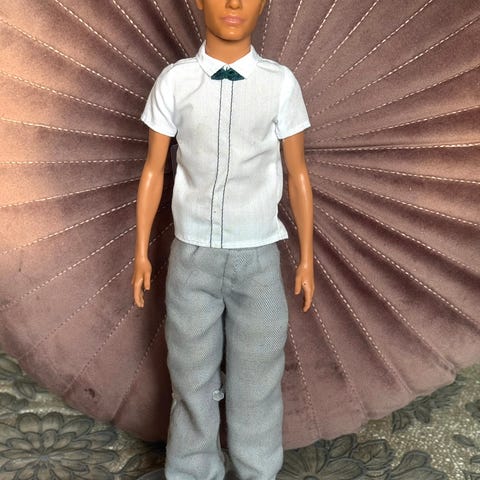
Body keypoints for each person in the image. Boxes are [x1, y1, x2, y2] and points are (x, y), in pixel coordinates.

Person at [132, 0, 314, 478]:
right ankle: (192, 471)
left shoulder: (279, 83)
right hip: (192, 256)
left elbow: (298, 173)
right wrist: (141, 253)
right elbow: (153, 170)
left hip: (258, 257)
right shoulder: (176, 82)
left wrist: (306, 258)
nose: (234, 3)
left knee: (259, 377)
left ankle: (258, 470)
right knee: (191, 376)